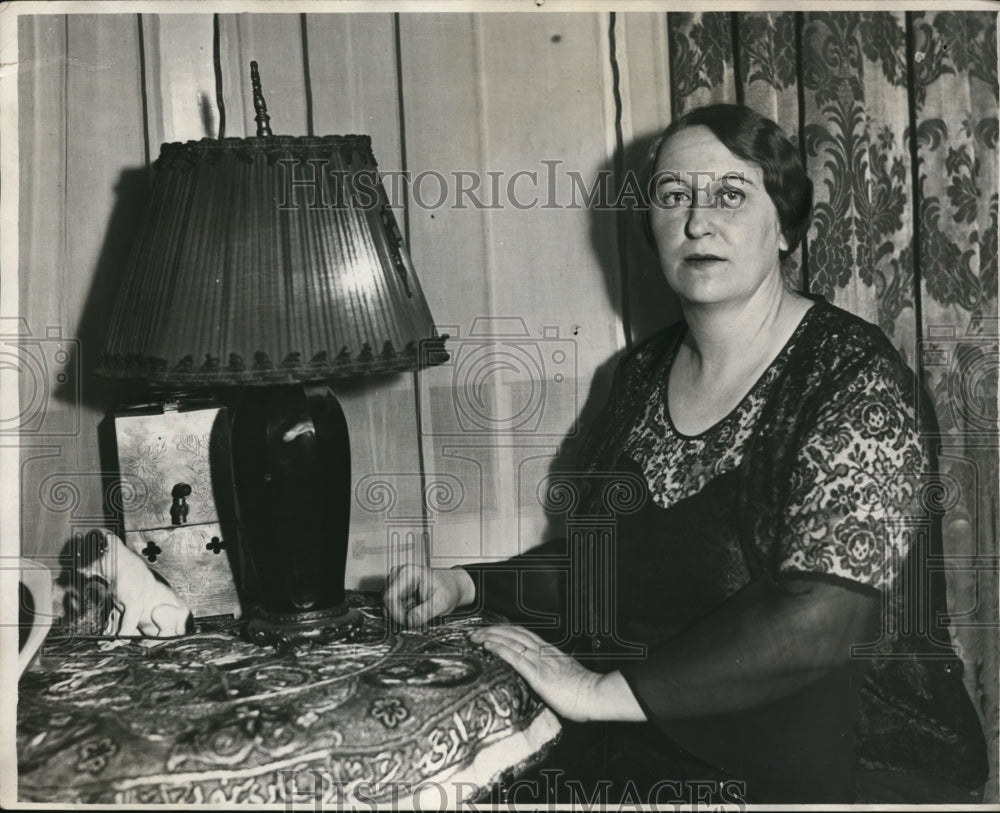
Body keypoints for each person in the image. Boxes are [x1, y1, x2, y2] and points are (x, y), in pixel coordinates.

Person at [383, 104, 987, 804]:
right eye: (674, 197)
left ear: (787, 227)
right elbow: (608, 564)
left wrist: (600, 691)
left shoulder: (857, 379)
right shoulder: (638, 375)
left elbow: (822, 618)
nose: (698, 222)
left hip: (838, 766)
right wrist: (469, 583)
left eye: (730, 194)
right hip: (657, 743)